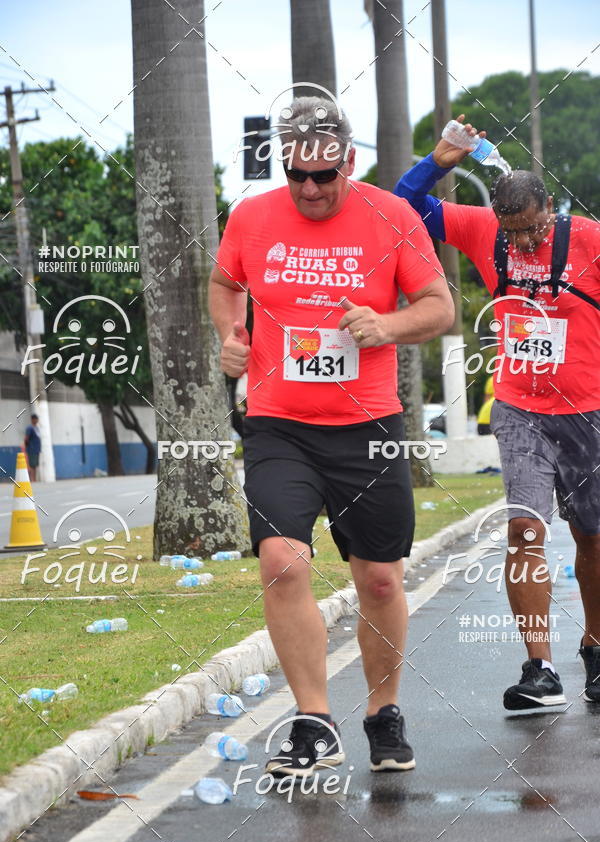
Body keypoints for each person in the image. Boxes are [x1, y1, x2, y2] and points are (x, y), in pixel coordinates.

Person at [209, 96, 454, 775]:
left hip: (368, 427)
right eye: (297, 175)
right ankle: (314, 720)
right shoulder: (253, 217)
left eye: (324, 175)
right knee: (281, 560)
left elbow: (439, 307)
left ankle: (383, 713)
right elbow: (225, 283)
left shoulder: (391, 215)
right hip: (278, 426)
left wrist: (388, 325)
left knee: (378, 580)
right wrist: (230, 334)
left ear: (349, 160)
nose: (311, 189)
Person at [395, 115, 600, 709]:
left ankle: (595, 647)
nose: (526, 244)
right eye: (515, 235)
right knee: (524, 529)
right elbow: (403, 207)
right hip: (520, 407)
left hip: (587, 409)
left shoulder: (588, 239)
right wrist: (441, 158)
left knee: (592, 536)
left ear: (550, 212)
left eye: (535, 231)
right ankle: (539, 669)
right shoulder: (485, 230)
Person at [24, 413, 41, 482]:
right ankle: (31, 479)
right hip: (32, 449)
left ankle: (34, 479)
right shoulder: (30, 428)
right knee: (31, 465)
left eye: (37, 419)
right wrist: (28, 446)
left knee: (35, 465)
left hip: (36, 449)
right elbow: (26, 438)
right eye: (35, 419)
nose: (37, 420)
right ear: (32, 419)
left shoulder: (36, 428)